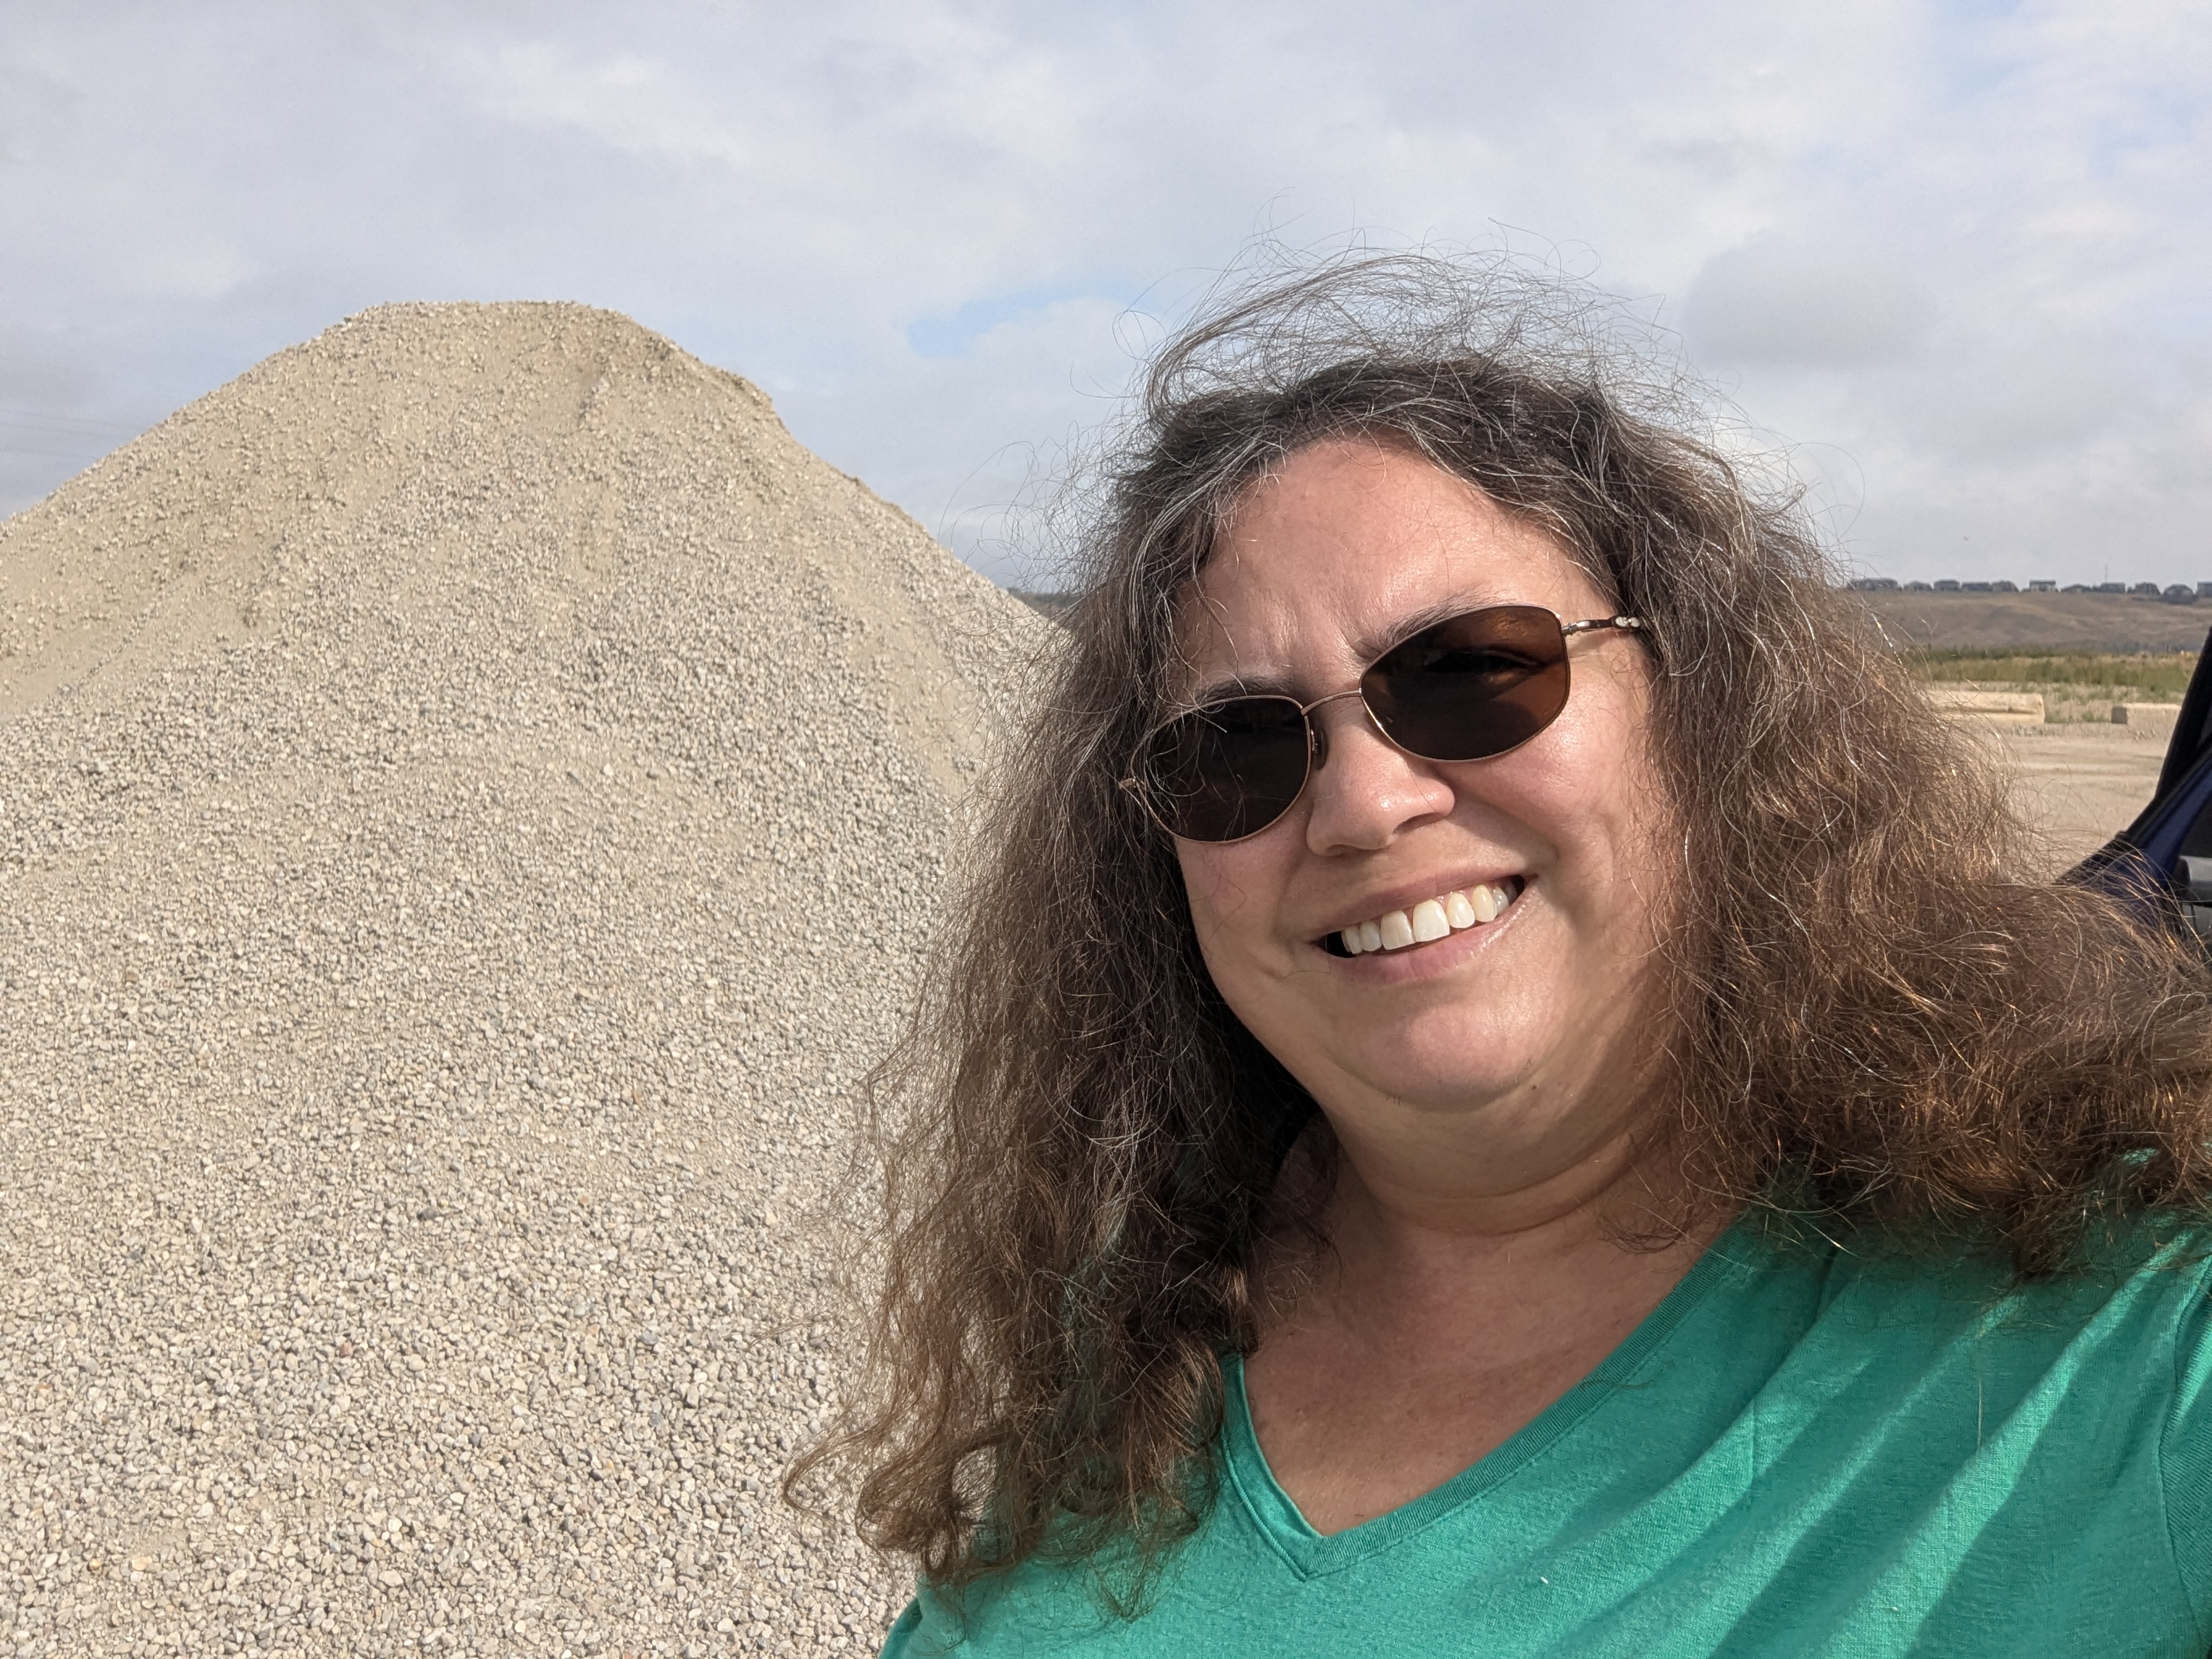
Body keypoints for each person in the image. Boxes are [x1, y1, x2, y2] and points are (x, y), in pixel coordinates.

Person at [805, 253, 2212, 1655]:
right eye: (1237, 747)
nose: (1363, 806)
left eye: (1471, 672)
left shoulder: (2118, 1334)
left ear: (1703, 708)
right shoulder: (1127, 1348)